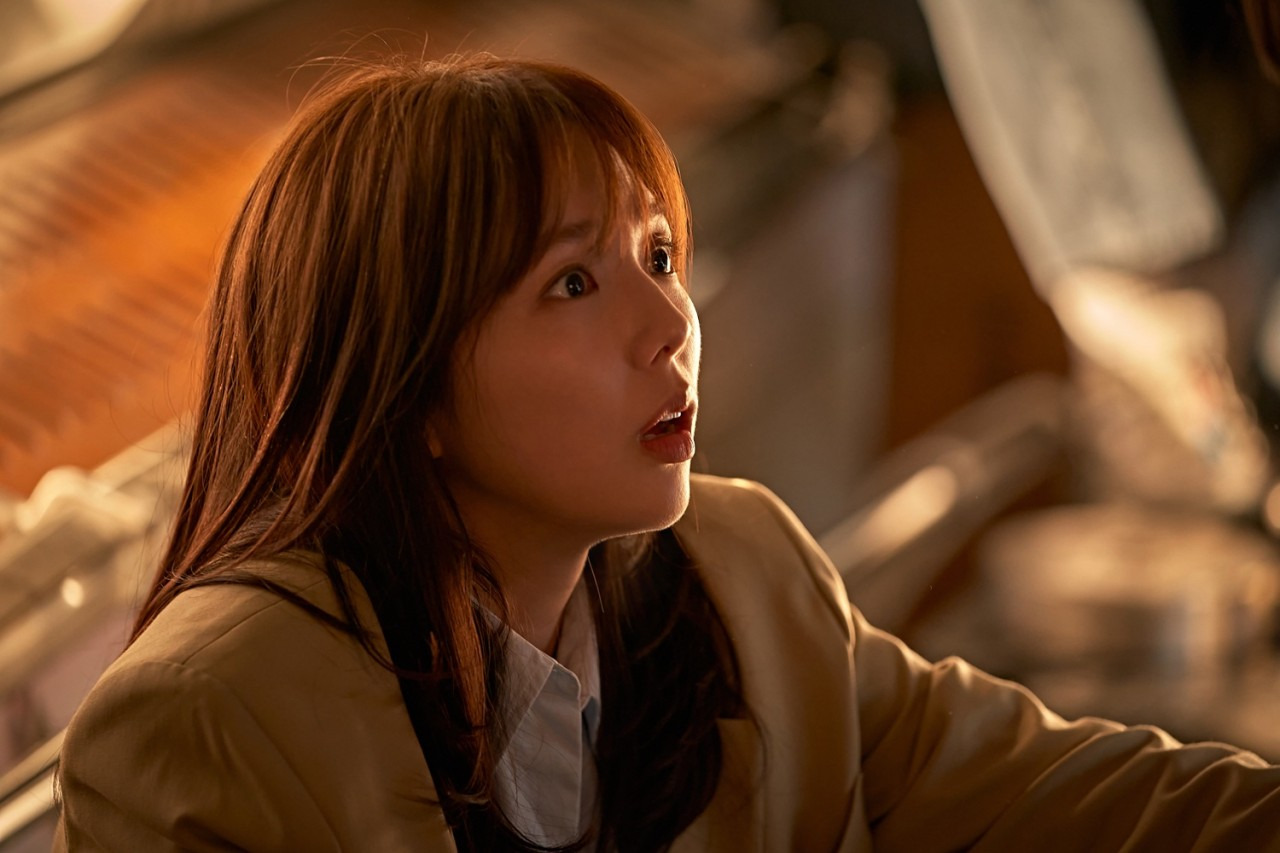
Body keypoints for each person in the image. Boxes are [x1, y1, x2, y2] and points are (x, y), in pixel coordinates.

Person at [53, 53, 1280, 852]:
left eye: (656, 257)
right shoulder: (202, 723)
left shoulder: (743, 567)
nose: (668, 325)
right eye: (572, 282)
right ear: (406, 383)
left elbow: (1072, 797)